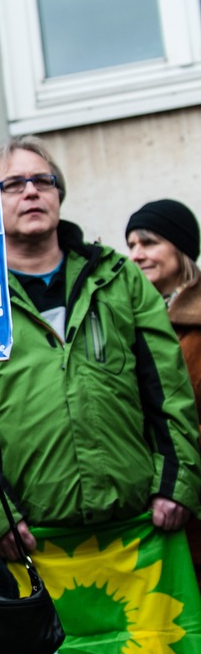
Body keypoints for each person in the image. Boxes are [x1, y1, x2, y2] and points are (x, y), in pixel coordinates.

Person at [0, 138, 201, 562]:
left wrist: (176, 484)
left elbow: (168, 388)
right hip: (33, 547)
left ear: (59, 194)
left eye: (42, 180)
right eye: (13, 184)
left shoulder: (118, 278)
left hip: (142, 538)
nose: (31, 191)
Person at [126, 198, 201, 580]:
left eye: (149, 242)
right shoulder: (124, 317)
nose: (137, 255)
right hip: (146, 511)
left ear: (182, 248)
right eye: (131, 246)